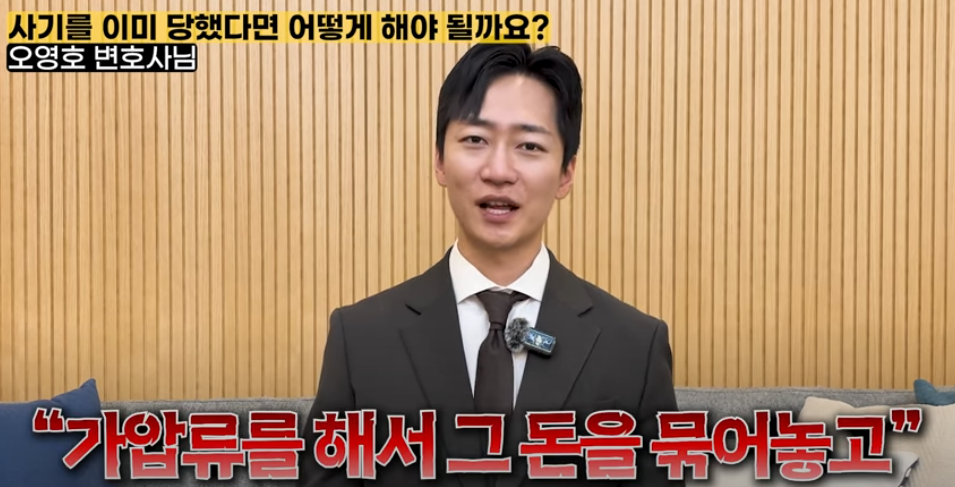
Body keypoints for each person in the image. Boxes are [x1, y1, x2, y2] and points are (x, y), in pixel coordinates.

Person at [298, 42, 684, 487]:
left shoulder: (634, 347)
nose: (499, 170)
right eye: (475, 140)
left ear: (566, 173)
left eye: (529, 145)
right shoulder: (360, 338)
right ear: (440, 160)